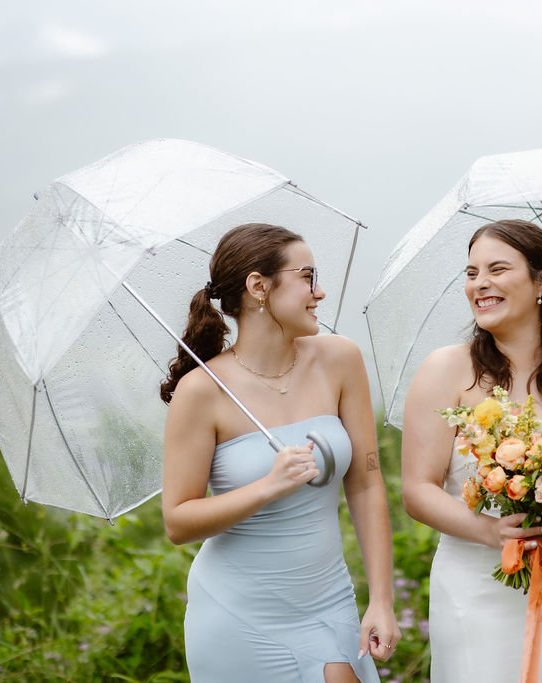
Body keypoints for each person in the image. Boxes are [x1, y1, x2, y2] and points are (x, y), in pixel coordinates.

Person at [159, 223, 399, 683]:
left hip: (329, 600)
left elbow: (367, 484)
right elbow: (178, 521)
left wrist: (382, 600)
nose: (320, 292)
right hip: (238, 615)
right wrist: (268, 486)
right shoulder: (201, 392)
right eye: (308, 277)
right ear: (258, 287)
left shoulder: (340, 359)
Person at [401, 219, 542, 682]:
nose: (480, 283)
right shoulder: (446, 369)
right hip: (475, 583)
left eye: (497, 269)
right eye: (471, 273)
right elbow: (417, 490)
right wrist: (490, 532)